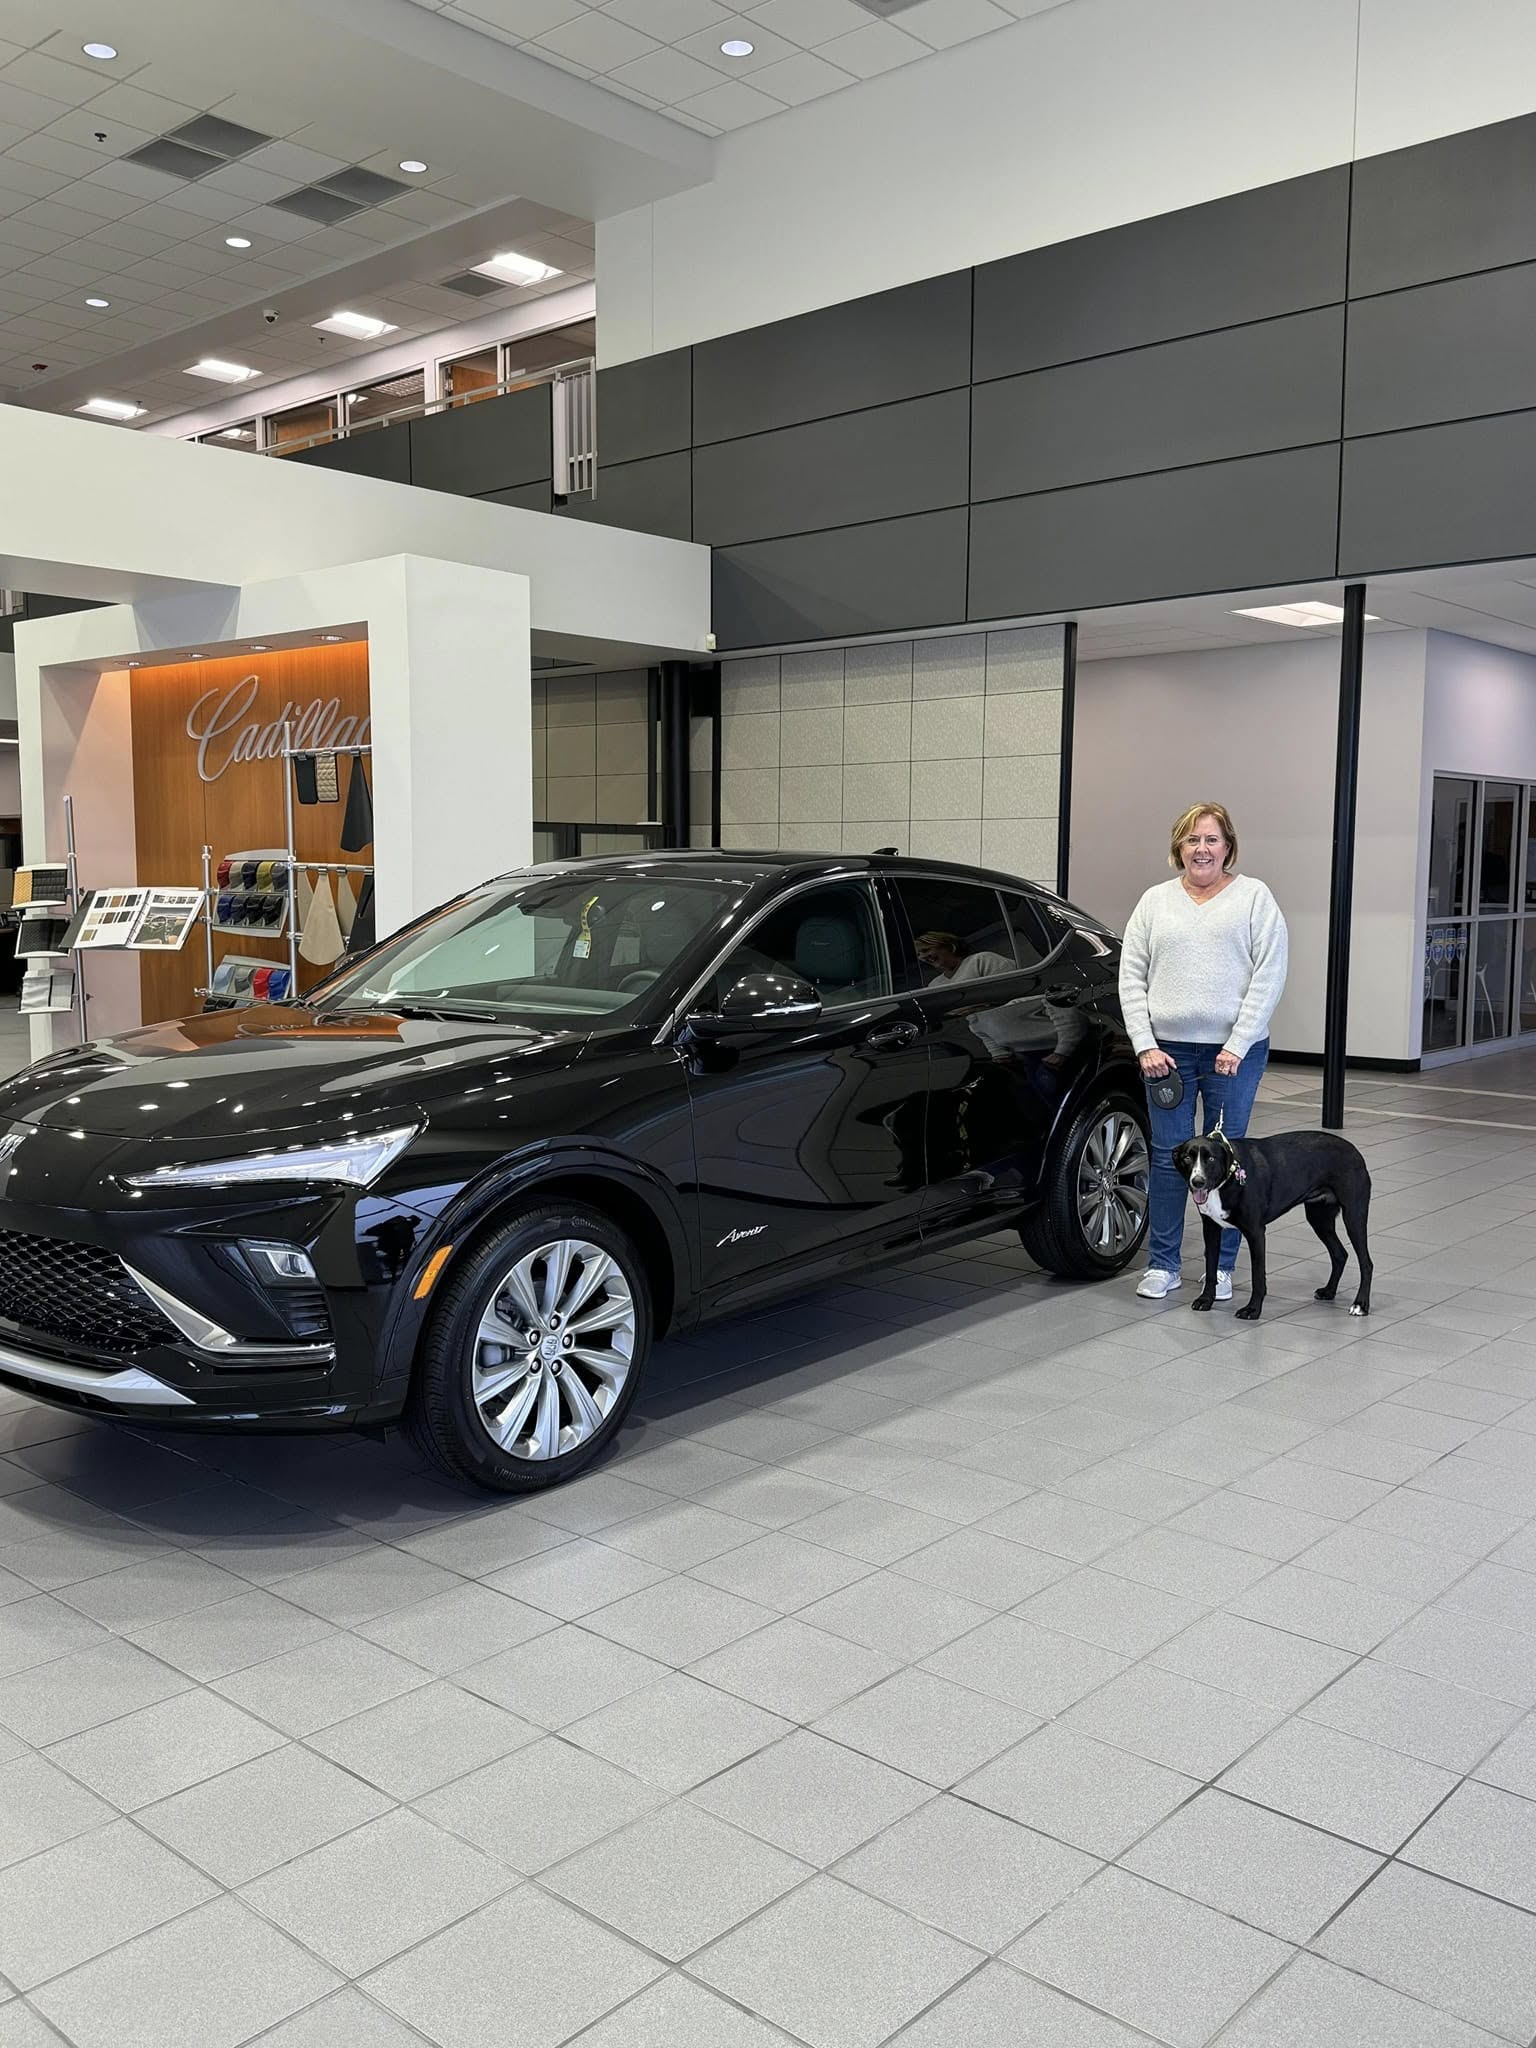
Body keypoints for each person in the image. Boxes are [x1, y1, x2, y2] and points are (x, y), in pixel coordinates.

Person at [1119, 802, 1288, 1301]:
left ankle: (1222, 1270)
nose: (1202, 849)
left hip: (1233, 1056)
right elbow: (1130, 976)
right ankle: (1163, 1264)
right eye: (1192, 840)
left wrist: (1238, 1043)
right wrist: (1144, 1044)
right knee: (1168, 1157)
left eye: (1212, 839)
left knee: (1226, 1160)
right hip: (1166, 1055)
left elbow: (1269, 974)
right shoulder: (1154, 901)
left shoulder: (1254, 897)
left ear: (1228, 846)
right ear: (1179, 848)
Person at [915, 930, 1013, 985]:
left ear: (949, 946)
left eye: (926, 950)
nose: (922, 957)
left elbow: (1014, 987)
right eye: (918, 955)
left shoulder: (982, 960)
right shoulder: (934, 984)